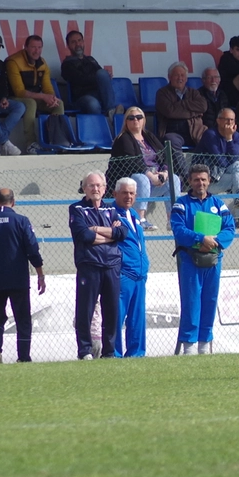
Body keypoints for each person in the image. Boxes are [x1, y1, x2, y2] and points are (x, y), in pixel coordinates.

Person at [0, 188, 45, 363]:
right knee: (23, 318)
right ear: (14, 202)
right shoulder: (21, 221)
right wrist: (40, 273)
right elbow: (32, 249)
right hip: (18, 278)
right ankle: (24, 356)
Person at [172, 164, 237, 355]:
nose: (200, 183)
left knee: (210, 300)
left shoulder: (218, 204)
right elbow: (178, 229)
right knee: (191, 302)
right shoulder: (181, 204)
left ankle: (205, 344)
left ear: (209, 181)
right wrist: (200, 239)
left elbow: (230, 229)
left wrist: (214, 242)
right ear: (190, 182)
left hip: (214, 259)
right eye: (196, 180)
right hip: (190, 260)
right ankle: (189, 346)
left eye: (203, 179)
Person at [70, 171, 124, 360]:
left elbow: (122, 233)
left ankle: (109, 352)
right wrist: (110, 234)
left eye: (99, 185)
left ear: (105, 188)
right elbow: (84, 236)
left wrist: (98, 231)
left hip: (112, 265)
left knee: (111, 311)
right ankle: (85, 350)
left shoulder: (111, 209)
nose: (96, 189)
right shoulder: (77, 209)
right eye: (91, 185)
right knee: (85, 310)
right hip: (89, 265)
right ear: (84, 188)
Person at [108, 106, 180, 230]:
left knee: (174, 179)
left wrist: (165, 172)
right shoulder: (123, 139)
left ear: (144, 120)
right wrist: (151, 176)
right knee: (141, 178)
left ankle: (172, 219)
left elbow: (164, 155)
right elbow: (132, 163)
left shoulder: (149, 136)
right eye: (131, 118)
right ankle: (140, 219)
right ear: (126, 121)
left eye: (138, 117)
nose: (135, 120)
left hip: (153, 179)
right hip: (133, 182)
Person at [5, 33, 68, 147]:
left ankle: (57, 140)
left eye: (39, 47)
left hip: (34, 97)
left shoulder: (42, 63)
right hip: (12, 98)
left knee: (59, 104)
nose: (36, 51)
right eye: (33, 47)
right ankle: (31, 143)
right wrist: (44, 97)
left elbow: (47, 87)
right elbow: (19, 91)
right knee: (31, 103)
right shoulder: (14, 62)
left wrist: (51, 98)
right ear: (26, 47)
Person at [112, 178, 149, 358]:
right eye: (125, 193)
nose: (128, 196)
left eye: (132, 193)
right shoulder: (110, 214)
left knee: (137, 318)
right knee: (117, 316)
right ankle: (114, 353)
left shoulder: (133, 214)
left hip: (140, 275)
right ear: (115, 194)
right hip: (123, 274)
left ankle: (136, 354)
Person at [195, 108, 239, 198]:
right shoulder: (210, 135)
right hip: (209, 181)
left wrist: (229, 138)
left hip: (226, 176)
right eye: (227, 119)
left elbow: (234, 159)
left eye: (232, 120)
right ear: (218, 121)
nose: (229, 122)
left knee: (238, 168)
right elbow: (220, 162)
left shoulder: (237, 136)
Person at [61, 30, 117, 116]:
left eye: (79, 41)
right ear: (68, 46)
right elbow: (80, 80)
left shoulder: (91, 59)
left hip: (98, 94)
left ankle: (111, 111)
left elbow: (100, 75)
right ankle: (104, 121)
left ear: (83, 42)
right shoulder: (67, 63)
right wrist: (98, 77)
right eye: (73, 42)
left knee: (103, 74)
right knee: (93, 104)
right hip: (81, 98)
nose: (78, 44)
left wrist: (105, 76)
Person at [156, 61, 210, 148]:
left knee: (210, 137)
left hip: (195, 131)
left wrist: (180, 105)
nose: (180, 78)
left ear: (186, 78)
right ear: (169, 77)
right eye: (176, 75)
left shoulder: (194, 92)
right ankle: (181, 162)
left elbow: (203, 107)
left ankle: (200, 162)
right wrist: (194, 113)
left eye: (182, 75)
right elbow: (170, 112)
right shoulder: (162, 93)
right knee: (171, 140)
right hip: (174, 132)